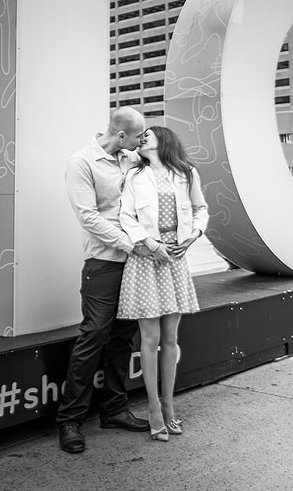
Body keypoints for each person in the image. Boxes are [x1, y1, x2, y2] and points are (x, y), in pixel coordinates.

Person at [57, 107, 152, 454]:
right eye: (138, 135)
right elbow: (88, 217)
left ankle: (114, 410)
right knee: (94, 334)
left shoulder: (131, 158)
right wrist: (131, 245)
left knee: (124, 337)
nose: (142, 141)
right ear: (121, 133)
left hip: (136, 261)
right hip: (104, 261)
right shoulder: (81, 162)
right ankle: (70, 420)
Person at [117, 126, 208, 442]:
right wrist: (152, 245)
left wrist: (194, 235)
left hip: (176, 259)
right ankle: (153, 409)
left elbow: (201, 209)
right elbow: (126, 217)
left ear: (164, 140)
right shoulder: (133, 176)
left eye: (147, 135)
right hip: (146, 258)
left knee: (171, 336)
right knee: (150, 337)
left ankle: (169, 407)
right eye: (139, 136)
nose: (141, 138)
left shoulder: (186, 173)